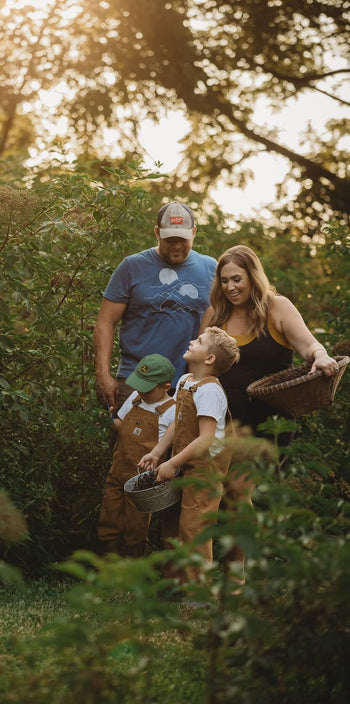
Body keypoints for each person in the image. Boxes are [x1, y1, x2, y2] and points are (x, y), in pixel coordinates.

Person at [200, 244, 339, 580]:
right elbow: (202, 363)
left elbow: (307, 343)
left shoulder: (277, 308)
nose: (231, 287)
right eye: (225, 281)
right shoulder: (215, 315)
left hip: (265, 419)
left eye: (237, 279)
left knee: (236, 490)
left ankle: (235, 575)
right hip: (222, 416)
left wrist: (319, 355)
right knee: (216, 494)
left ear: (253, 277)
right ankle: (210, 570)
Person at [94, 201, 216, 415]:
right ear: (157, 233)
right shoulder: (132, 267)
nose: (177, 246)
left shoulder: (212, 269)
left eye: (183, 239)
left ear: (194, 232)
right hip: (136, 380)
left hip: (187, 383)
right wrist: (103, 375)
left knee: (180, 448)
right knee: (129, 447)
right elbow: (105, 322)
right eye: (170, 239)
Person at [138, 327, 240, 582]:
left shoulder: (210, 392)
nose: (193, 341)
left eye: (200, 341)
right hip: (184, 461)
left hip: (204, 469)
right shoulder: (186, 382)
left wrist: (173, 463)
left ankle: (198, 592)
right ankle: (174, 580)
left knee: (194, 527)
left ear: (209, 359)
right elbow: (178, 422)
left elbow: (206, 439)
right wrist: (158, 451)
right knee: (173, 522)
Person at [97, 354, 176, 558]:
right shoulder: (135, 398)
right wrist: (106, 416)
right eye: (139, 385)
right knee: (109, 512)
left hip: (140, 479)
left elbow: (166, 446)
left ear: (165, 387)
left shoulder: (171, 411)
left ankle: (134, 560)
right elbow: (120, 425)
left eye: (147, 387)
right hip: (118, 468)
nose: (140, 390)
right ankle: (109, 556)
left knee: (136, 520)